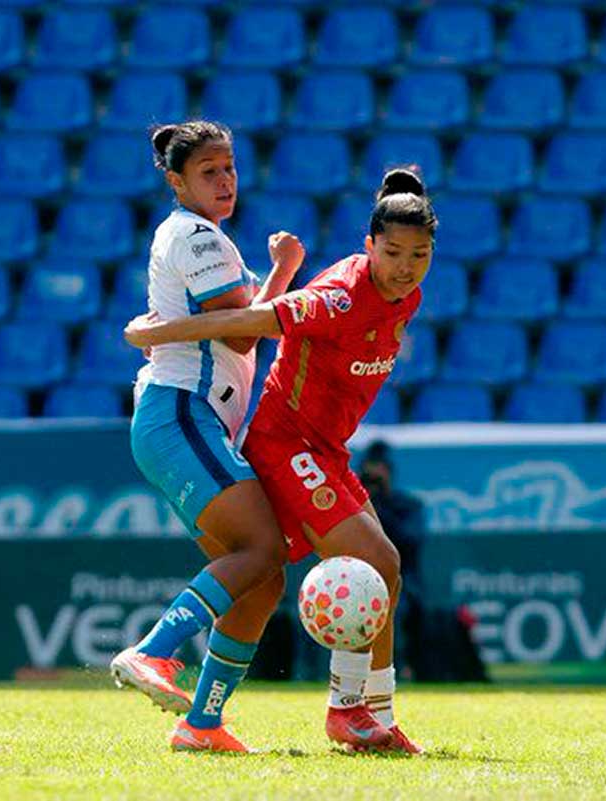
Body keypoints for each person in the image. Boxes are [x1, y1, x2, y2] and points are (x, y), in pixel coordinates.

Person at [125, 168, 437, 755]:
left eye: (418, 254)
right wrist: (163, 333)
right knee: (365, 558)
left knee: (383, 569)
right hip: (285, 443)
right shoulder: (340, 297)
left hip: (325, 449)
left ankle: (360, 715)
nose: (405, 266)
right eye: (392, 252)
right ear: (368, 246)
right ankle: (348, 713)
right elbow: (249, 322)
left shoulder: (407, 295)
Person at [109, 120, 302, 753]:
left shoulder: (204, 237)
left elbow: (239, 327)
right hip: (182, 411)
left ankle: (202, 723)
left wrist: (279, 272)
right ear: (176, 181)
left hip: (185, 419)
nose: (224, 182)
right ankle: (154, 652)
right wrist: (279, 279)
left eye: (229, 169)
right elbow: (246, 334)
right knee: (260, 545)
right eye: (208, 172)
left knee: (262, 573)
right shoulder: (197, 235)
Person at [357, 440, 425, 682]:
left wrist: (377, 505)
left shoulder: (408, 506)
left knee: (395, 606)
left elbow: (409, 542)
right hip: (356, 581)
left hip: (401, 581)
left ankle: (393, 670)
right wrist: (363, 498)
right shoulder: (350, 504)